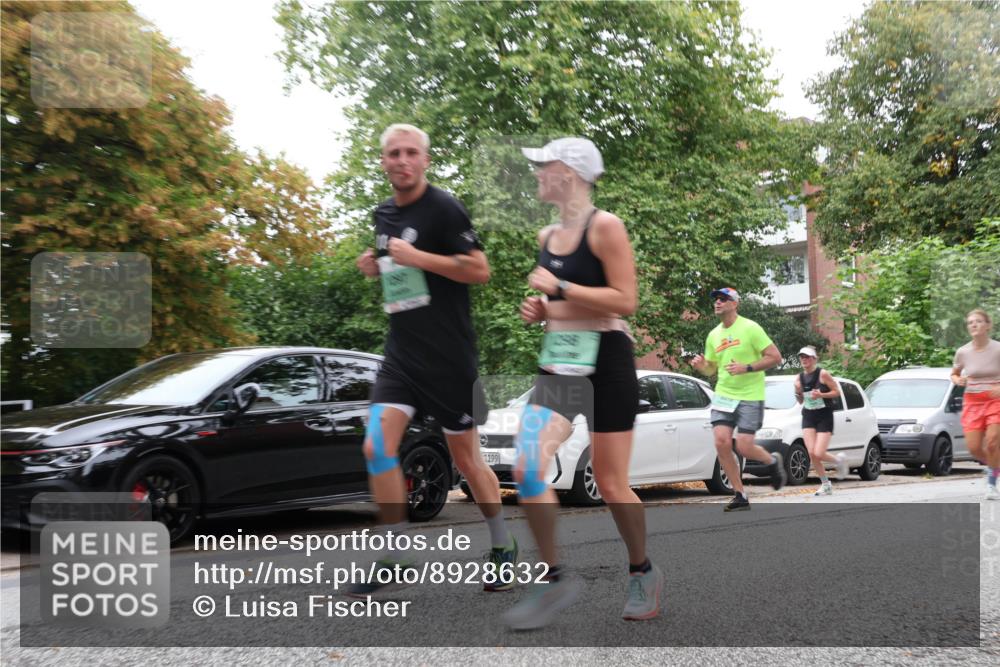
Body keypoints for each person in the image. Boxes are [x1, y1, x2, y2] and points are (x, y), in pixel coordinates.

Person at [501, 137, 662, 630]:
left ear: (568, 174)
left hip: (607, 359)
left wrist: (560, 289)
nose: (536, 175)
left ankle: (641, 569)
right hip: (559, 362)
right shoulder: (548, 234)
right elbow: (557, 302)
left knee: (612, 483)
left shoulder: (605, 226)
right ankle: (552, 578)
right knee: (528, 462)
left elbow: (625, 299)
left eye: (542, 167)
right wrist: (542, 311)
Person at [351, 124, 516, 595]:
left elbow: (479, 270)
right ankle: (396, 553)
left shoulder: (445, 208)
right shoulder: (383, 213)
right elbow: (395, 268)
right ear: (383, 162)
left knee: (466, 460)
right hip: (402, 354)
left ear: (425, 159)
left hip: (449, 358)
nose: (402, 160)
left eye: (410, 153)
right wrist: (375, 264)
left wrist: (419, 257)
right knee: (376, 448)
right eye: (393, 154)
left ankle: (502, 546)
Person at [691, 288, 786, 511]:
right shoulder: (713, 335)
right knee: (721, 442)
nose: (718, 302)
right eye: (716, 299)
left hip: (750, 395)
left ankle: (772, 462)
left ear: (735, 304)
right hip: (724, 394)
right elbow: (710, 370)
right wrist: (701, 366)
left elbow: (775, 357)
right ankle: (740, 494)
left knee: (744, 446)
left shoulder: (751, 328)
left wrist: (747, 367)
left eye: (723, 299)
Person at [950, 308, 1000, 501]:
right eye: (970, 322)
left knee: (993, 441)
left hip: (995, 400)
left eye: (978, 321)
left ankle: (991, 483)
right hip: (972, 401)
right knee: (974, 448)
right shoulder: (963, 352)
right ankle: (995, 467)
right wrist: (957, 380)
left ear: (987, 325)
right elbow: (954, 373)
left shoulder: (997, 349)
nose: (974, 325)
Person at [794, 346, 848, 496]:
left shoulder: (822, 374)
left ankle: (839, 461)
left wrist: (821, 395)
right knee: (812, 453)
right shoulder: (799, 378)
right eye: (802, 357)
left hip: (824, 416)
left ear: (814, 359)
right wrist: (797, 391)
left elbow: (836, 392)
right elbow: (800, 401)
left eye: (807, 357)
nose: (804, 360)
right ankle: (825, 484)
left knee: (818, 452)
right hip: (809, 416)